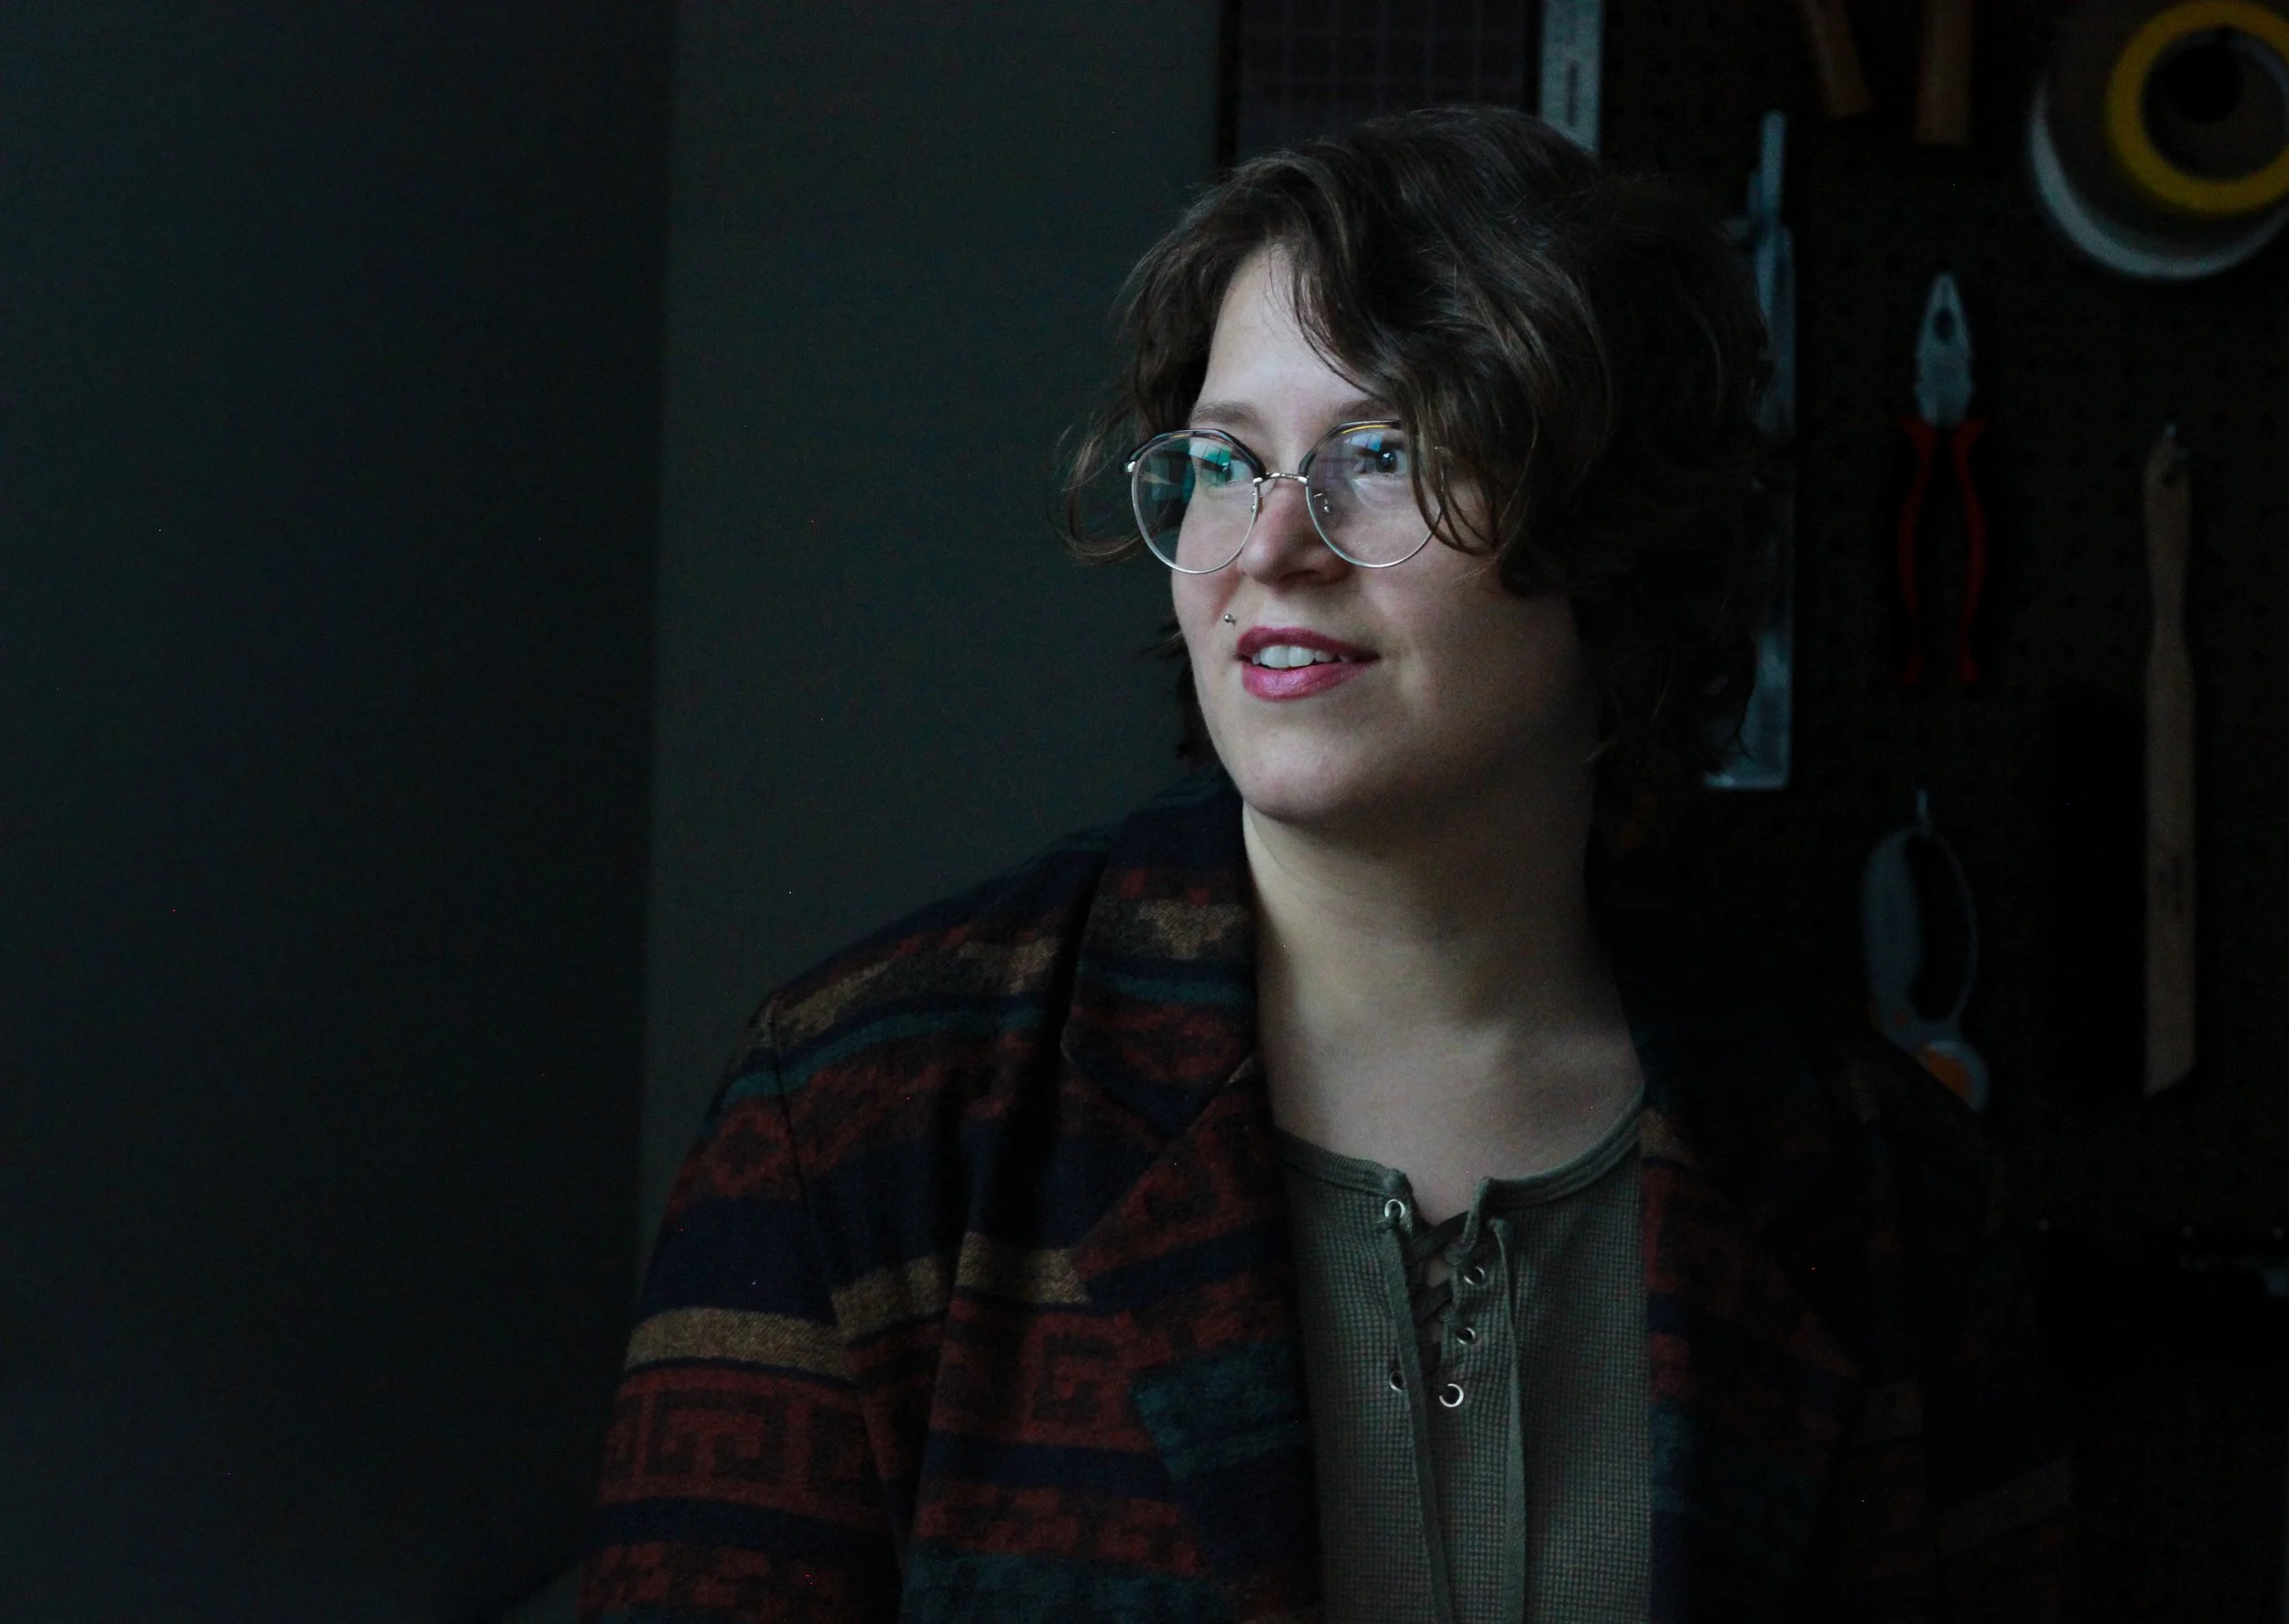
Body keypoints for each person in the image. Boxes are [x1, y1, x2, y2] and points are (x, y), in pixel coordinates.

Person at [576, 105, 2071, 1623]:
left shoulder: (1884, 1193)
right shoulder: (866, 1119)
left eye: (1384, 452)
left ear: (1616, 532)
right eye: (1226, 461)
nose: (1271, 543)